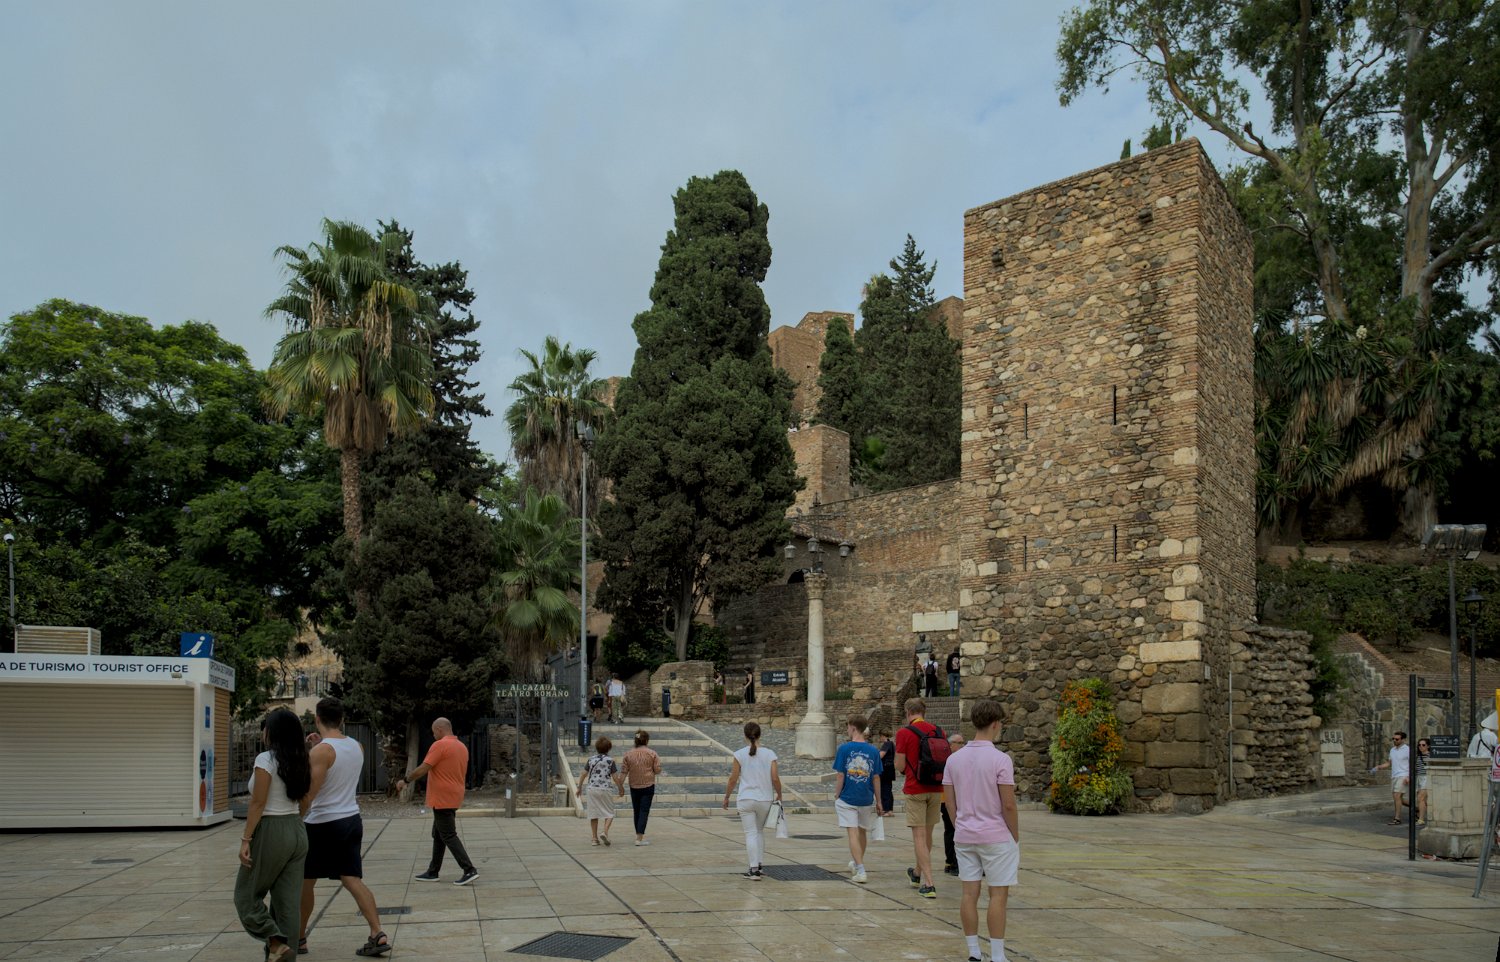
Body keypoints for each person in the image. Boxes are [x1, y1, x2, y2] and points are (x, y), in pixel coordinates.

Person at [299, 698, 389, 957]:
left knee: (305, 882)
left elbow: (310, 794)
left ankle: (299, 937)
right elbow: (338, 770)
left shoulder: (321, 752)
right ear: (342, 720)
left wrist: (295, 820)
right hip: (351, 818)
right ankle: (377, 932)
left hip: (322, 823)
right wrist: (318, 746)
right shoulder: (357, 746)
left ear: (317, 719)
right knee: (351, 878)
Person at [942, 698, 1018, 962]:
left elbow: (949, 802)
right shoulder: (1001, 759)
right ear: (996, 724)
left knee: (968, 893)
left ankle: (974, 951)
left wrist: (959, 825)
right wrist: (1015, 835)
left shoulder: (954, 759)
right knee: (998, 894)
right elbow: (1008, 804)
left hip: (965, 834)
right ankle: (997, 955)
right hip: (995, 834)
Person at [234, 708, 311, 962]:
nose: (263, 732)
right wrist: (294, 824)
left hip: (271, 829)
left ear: (273, 732)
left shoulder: (265, 759)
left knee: (246, 896)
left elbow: (258, 803)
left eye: (265, 727)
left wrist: (246, 839)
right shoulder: (301, 759)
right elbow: (306, 801)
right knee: (287, 903)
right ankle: (285, 956)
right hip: (296, 828)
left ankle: (276, 943)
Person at [397, 718, 479, 885]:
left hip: (442, 797)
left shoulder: (440, 745)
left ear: (440, 729)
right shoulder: (461, 747)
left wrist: (405, 780)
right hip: (454, 795)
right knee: (439, 834)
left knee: (448, 834)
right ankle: (433, 871)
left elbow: (424, 767)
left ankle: (469, 869)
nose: (433, 735)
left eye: (434, 731)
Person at [895, 697, 948, 898]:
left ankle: (929, 883)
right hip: (936, 788)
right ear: (923, 712)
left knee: (918, 836)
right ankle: (917, 873)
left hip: (915, 788)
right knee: (927, 835)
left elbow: (900, 765)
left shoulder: (904, 733)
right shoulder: (939, 731)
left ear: (908, 712)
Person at [723, 721, 782, 880]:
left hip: (746, 798)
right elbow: (775, 778)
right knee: (759, 831)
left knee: (750, 833)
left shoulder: (739, 754)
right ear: (760, 735)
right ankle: (759, 865)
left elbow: (733, 779)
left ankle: (753, 868)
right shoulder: (770, 754)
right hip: (765, 799)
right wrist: (779, 794)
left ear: (745, 736)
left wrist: (727, 796)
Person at [832, 714, 883, 883]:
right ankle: (856, 862)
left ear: (853, 728)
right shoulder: (874, 751)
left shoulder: (844, 749)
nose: (847, 730)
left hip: (848, 796)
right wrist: (879, 801)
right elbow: (876, 777)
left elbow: (840, 775)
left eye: (848, 727)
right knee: (862, 832)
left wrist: (837, 794)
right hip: (866, 798)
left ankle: (861, 870)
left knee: (852, 833)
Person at [621, 730, 662, 846]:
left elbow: (624, 771)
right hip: (648, 785)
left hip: (634, 786)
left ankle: (638, 835)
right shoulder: (652, 753)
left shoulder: (628, 754)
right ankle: (639, 838)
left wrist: (620, 786)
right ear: (647, 740)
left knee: (637, 811)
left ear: (635, 740)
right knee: (644, 811)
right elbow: (657, 770)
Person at [582, 736, 624, 845]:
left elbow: (583, 774)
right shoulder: (610, 761)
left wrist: (579, 787)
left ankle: (594, 839)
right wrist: (621, 788)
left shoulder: (591, 759)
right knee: (609, 813)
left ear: (597, 747)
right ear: (608, 748)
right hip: (605, 789)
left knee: (593, 814)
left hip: (592, 788)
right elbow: (615, 777)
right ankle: (604, 832)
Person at [1371, 730, 1411, 825]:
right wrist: (1378, 767)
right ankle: (1416, 809)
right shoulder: (1392, 750)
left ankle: (1397, 818)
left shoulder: (1408, 750)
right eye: (1393, 739)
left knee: (1397, 796)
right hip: (1394, 776)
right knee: (1398, 799)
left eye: (1397, 739)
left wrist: (1409, 776)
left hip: (1403, 775)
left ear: (1403, 740)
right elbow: (1389, 763)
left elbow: (1412, 764)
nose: (1394, 740)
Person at [941, 732, 966, 876]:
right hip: (949, 799)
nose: (963, 745)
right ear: (950, 745)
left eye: (963, 742)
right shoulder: (951, 760)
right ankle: (954, 863)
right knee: (953, 830)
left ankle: (950, 862)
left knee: (951, 830)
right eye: (959, 743)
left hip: (955, 799)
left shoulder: (957, 759)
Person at [877, 729, 897, 817]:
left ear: (882, 736)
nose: (880, 738)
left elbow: (880, 755)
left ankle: (886, 810)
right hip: (890, 769)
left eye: (880, 736)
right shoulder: (892, 744)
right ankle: (890, 810)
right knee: (888, 790)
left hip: (885, 770)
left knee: (884, 789)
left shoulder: (886, 744)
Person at [1414, 737, 1431, 826]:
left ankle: (1421, 819)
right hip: (1419, 778)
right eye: (1419, 745)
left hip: (1426, 778)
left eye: (1423, 745)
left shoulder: (1431, 756)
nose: (1421, 746)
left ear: (1428, 746)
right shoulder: (1418, 756)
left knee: (1421, 798)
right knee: (1422, 800)